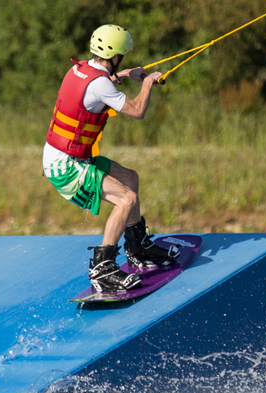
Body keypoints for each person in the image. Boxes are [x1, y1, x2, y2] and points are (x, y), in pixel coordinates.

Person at [43, 24, 178, 293]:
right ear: (116, 55)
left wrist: (127, 75)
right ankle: (102, 269)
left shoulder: (79, 68)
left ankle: (138, 248)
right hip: (65, 166)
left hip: (70, 156)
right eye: (123, 57)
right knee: (126, 198)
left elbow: (98, 85)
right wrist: (149, 82)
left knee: (130, 178)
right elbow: (137, 110)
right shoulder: (101, 84)